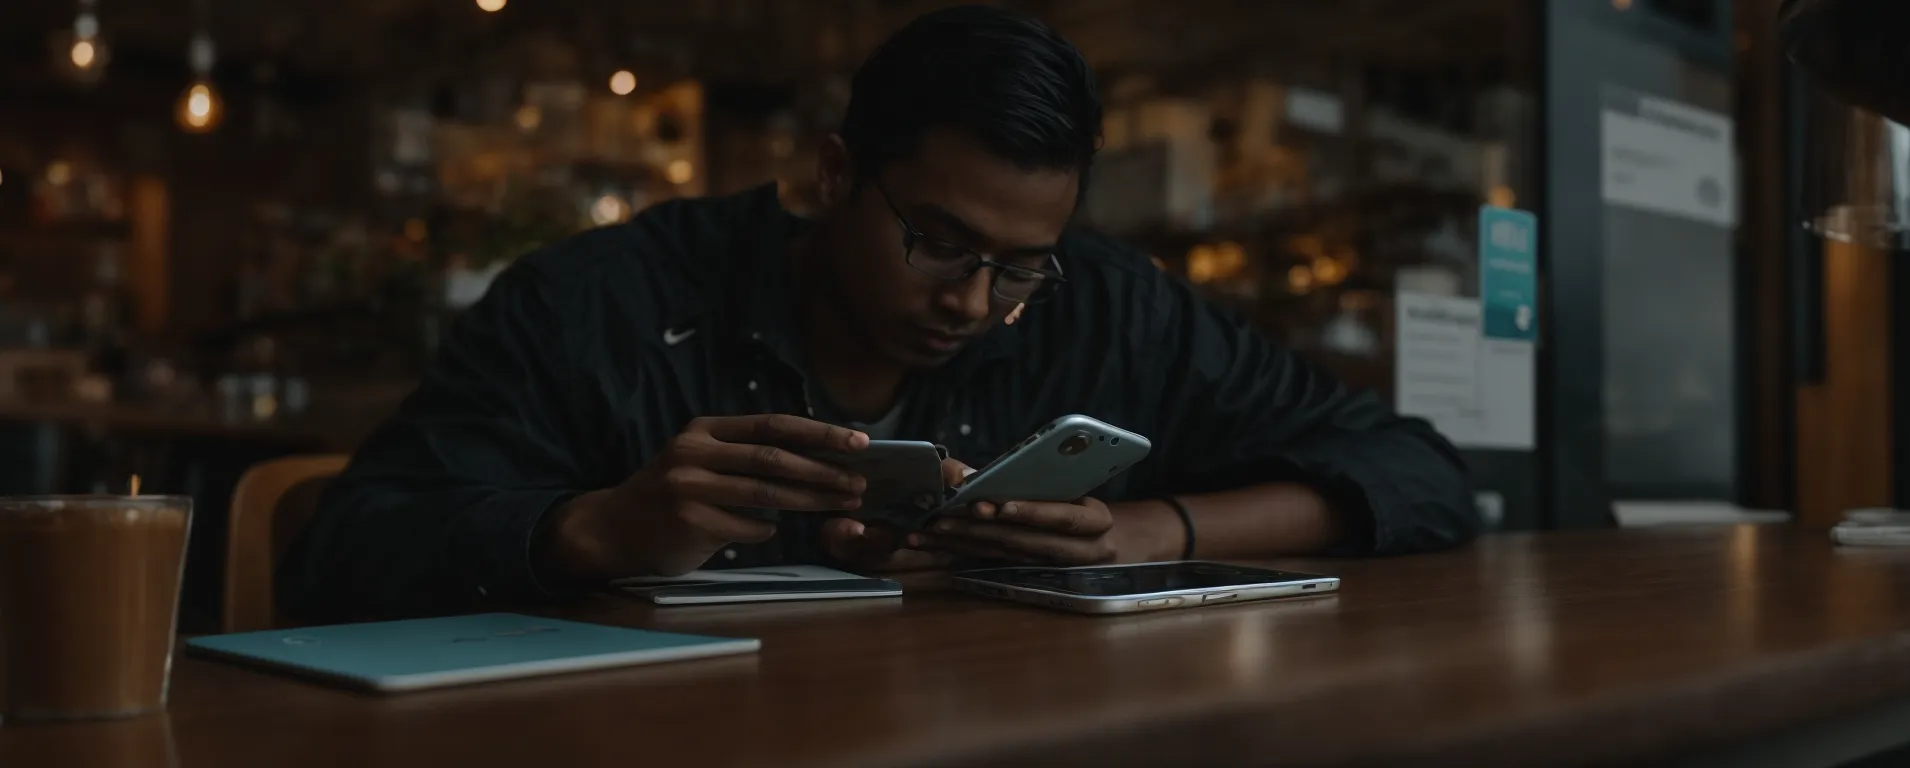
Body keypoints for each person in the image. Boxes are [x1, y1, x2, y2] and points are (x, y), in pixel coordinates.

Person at [280, 5, 1479, 620]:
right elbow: (341, 549)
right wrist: (594, 532)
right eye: (938, 242)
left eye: (1020, 264)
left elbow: (1416, 473)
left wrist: (1145, 533)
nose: (974, 303)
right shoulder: (600, 303)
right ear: (834, 177)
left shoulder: (1103, 305)